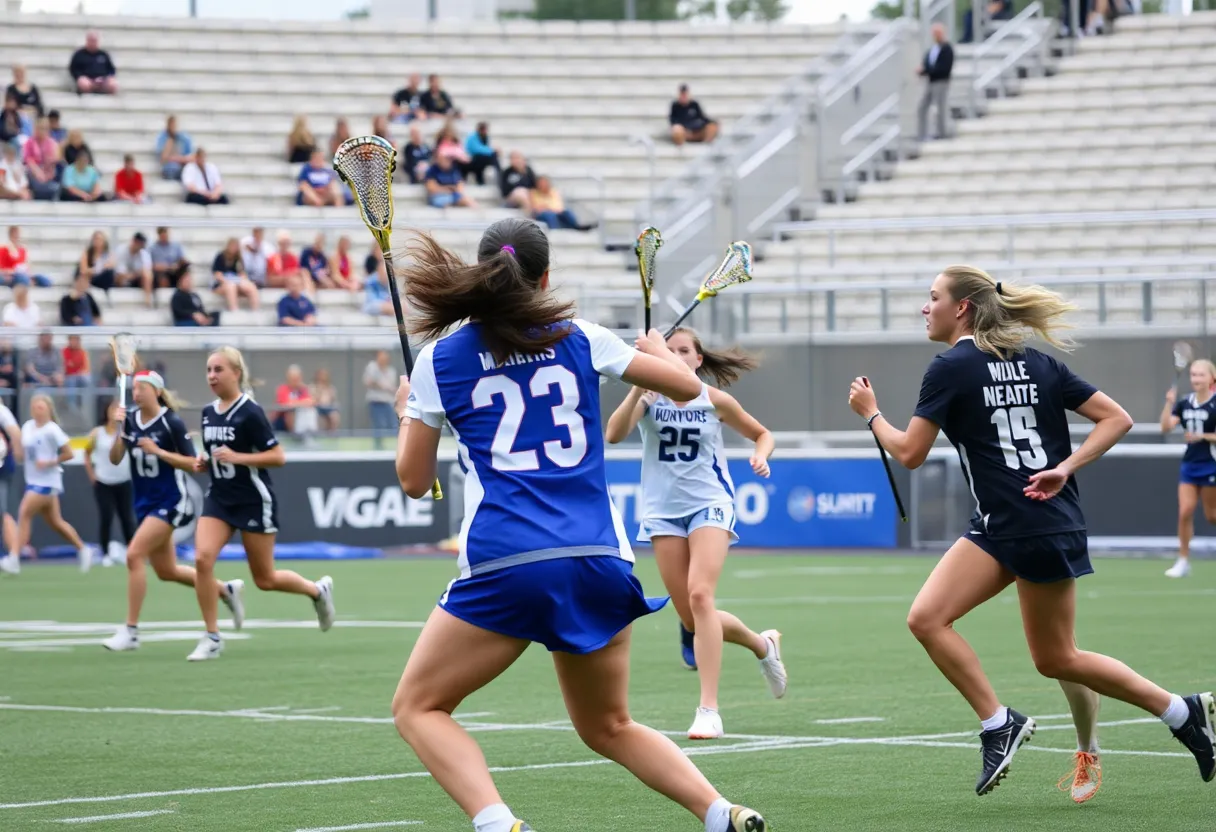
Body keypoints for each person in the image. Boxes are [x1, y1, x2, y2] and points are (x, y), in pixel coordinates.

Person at [389, 217, 767, 832]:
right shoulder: (580, 336)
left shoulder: (440, 358)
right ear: (543, 278)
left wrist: (411, 411)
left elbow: (412, 480)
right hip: (598, 556)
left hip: (506, 561)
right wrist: (650, 352)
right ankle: (721, 812)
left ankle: (498, 824)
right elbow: (685, 388)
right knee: (609, 726)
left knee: (417, 708)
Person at [845, 264, 1216, 799]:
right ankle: (1000, 724)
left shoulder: (950, 367)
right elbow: (1118, 418)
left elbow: (909, 453)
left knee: (1057, 658)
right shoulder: (1037, 362)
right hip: (1016, 523)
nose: (925, 308)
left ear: (963, 308)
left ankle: (1181, 712)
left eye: (932, 298)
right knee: (928, 618)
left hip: (1027, 525)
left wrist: (871, 414)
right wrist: (1067, 467)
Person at [605, 327, 784, 740]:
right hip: (662, 513)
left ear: (698, 359)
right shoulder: (648, 399)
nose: (677, 356)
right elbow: (613, 435)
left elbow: (763, 433)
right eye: (669, 351)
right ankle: (762, 646)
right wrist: (637, 389)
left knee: (701, 596)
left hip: (711, 503)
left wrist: (760, 454)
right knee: (691, 616)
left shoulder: (712, 399)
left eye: (684, 351)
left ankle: (708, 709)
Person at [187, 347, 335, 661]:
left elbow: (277, 457)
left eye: (219, 369)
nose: (212, 376)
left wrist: (237, 457)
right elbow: (215, 453)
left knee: (265, 579)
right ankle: (212, 636)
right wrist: (205, 462)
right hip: (219, 498)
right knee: (202, 559)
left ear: (236, 373)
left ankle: (317, 591)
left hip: (253, 500)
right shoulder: (207, 412)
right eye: (209, 370)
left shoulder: (250, 411)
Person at [101, 371, 245, 653]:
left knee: (133, 555)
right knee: (166, 571)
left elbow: (193, 463)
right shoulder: (129, 420)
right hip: (144, 502)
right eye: (134, 387)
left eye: (142, 387)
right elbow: (115, 458)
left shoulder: (171, 423)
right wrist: (119, 430)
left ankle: (130, 631)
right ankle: (223, 589)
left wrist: (159, 451)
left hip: (171, 500)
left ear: (156, 391)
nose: (136, 392)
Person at [0, 395, 91, 575]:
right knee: (56, 522)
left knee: (24, 511)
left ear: (49, 409)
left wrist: (50, 462)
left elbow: (69, 453)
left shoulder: (52, 430)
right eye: (34, 407)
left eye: (41, 407)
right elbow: (22, 450)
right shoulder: (27, 427)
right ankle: (83, 549)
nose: (37, 410)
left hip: (47, 481)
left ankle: (14, 558)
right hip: (32, 479)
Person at [1159, 359, 1216, 579]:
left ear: (1211, 378)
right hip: (1190, 464)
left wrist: (1202, 436)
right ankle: (1183, 561)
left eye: (1201, 375)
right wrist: (1168, 403)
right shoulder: (1184, 403)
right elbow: (1165, 427)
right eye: (1193, 375)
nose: (1196, 379)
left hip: (1211, 464)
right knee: (1185, 511)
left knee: (1211, 516)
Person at [84, 400, 135, 568]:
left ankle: (132, 552)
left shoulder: (127, 432)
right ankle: (105, 553)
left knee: (127, 518)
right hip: (103, 482)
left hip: (124, 481)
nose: (114, 413)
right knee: (106, 517)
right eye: (112, 409)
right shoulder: (97, 433)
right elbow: (86, 453)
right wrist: (92, 476)